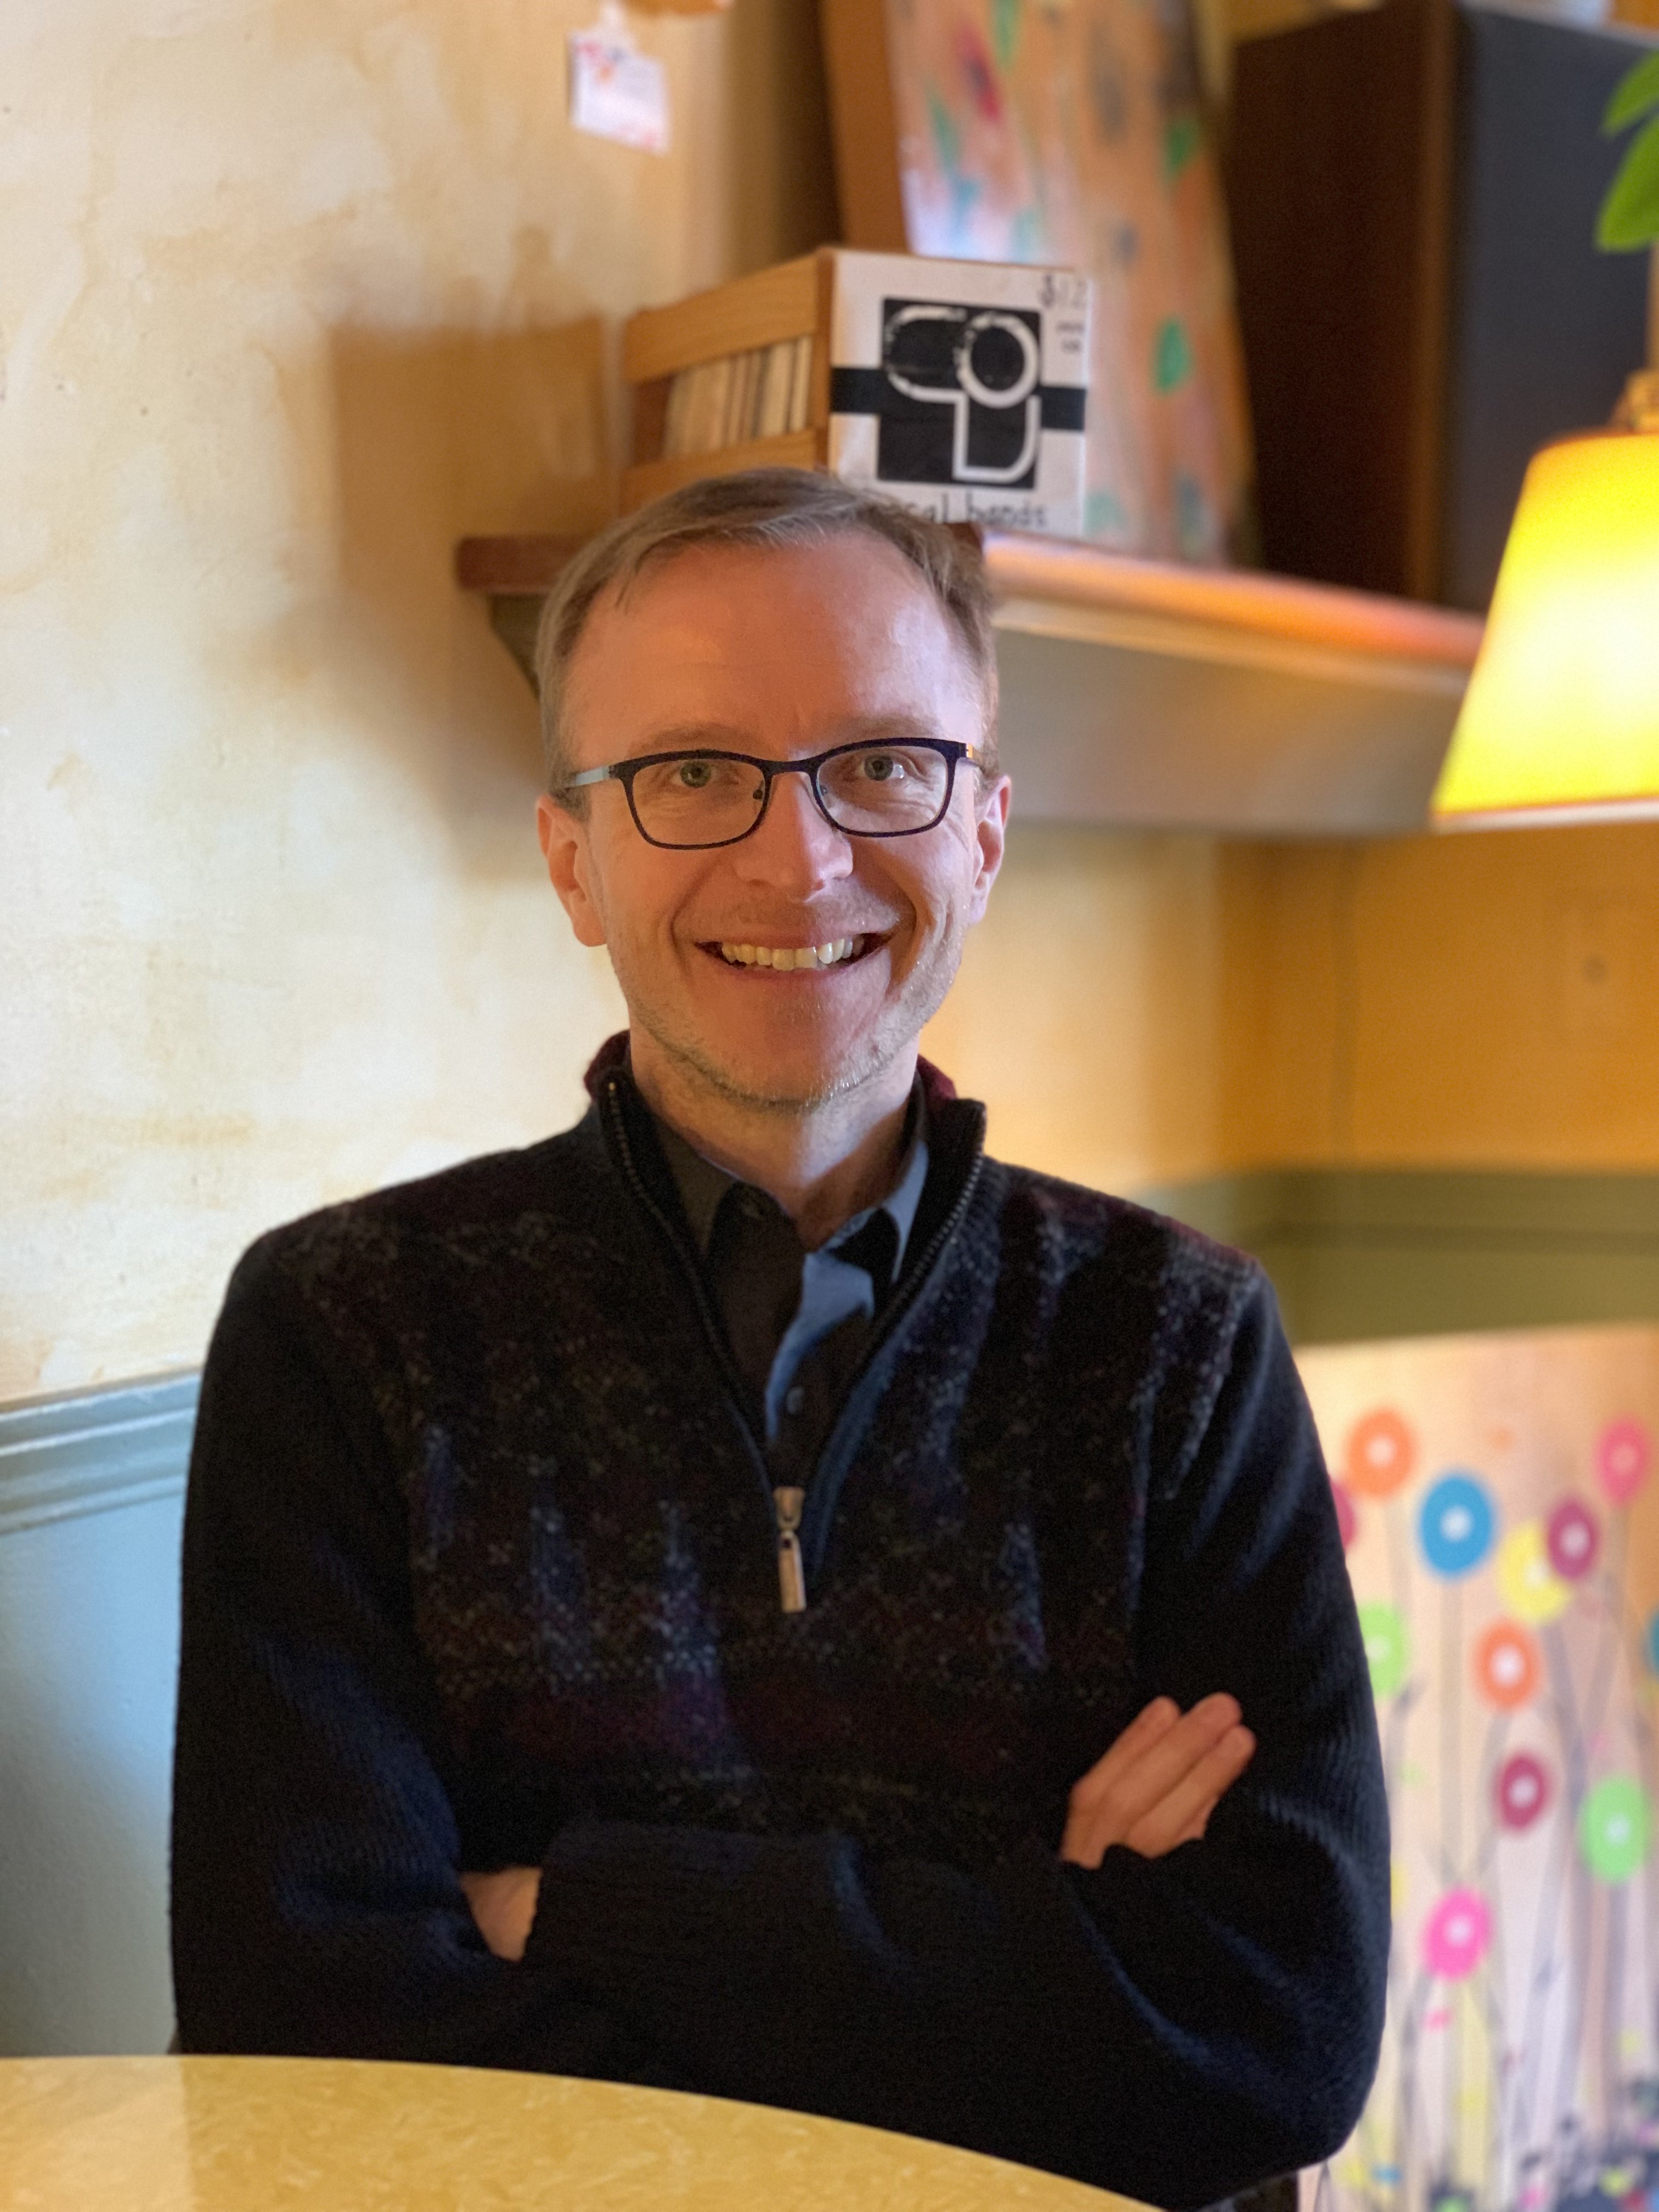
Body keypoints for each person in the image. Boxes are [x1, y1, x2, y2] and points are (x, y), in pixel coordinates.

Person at [171, 469, 1389, 2209]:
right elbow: (311, 2058)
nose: (798, 858)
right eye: (691, 773)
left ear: (984, 833)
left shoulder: (1177, 1341)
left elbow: (1271, 2035)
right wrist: (1032, 1952)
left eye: (884, 764)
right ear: (573, 862)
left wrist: (588, 1908)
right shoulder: (348, 1331)